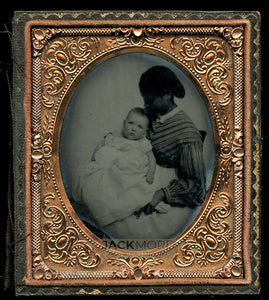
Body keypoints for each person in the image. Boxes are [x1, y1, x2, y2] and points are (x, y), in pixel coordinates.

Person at [103, 65, 206, 241]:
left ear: (167, 95)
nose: (145, 105)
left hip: (158, 183)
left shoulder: (187, 135)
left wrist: (160, 194)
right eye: (144, 99)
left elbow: (197, 187)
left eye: (149, 100)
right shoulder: (153, 112)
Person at [75, 107, 163, 229]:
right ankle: (95, 204)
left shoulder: (143, 143)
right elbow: (100, 146)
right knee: (94, 185)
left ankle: (107, 209)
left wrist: (150, 173)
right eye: (130, 123)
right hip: (108, 168)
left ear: (145, 132)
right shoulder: (115, 136)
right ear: (124, 122)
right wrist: (94, 160)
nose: (133, 128)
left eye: (139, 127)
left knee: (124, 191)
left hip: (126, 172)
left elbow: (152, 159)